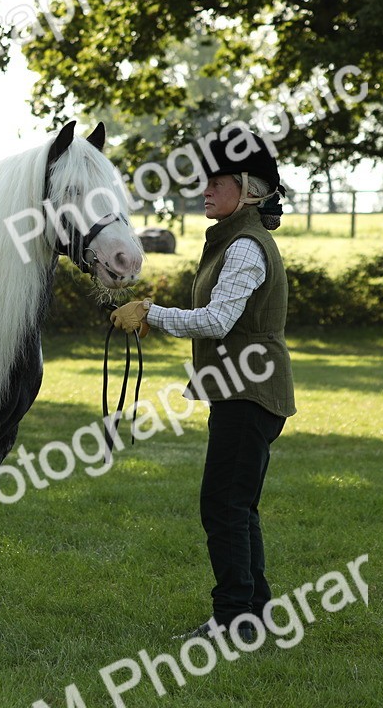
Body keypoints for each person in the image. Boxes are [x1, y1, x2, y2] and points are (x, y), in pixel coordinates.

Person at [110, 130, 297, 642]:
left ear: (249, 190)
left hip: (249, 393)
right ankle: (254, 612)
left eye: (218, 181)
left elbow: (216, 321)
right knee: (237, 505)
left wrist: (151, 311)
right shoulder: (235, 240)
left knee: (224, 506)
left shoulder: (246, 247)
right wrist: (156, 316)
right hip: (243, 391)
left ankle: (234, 618)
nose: (206, 189)